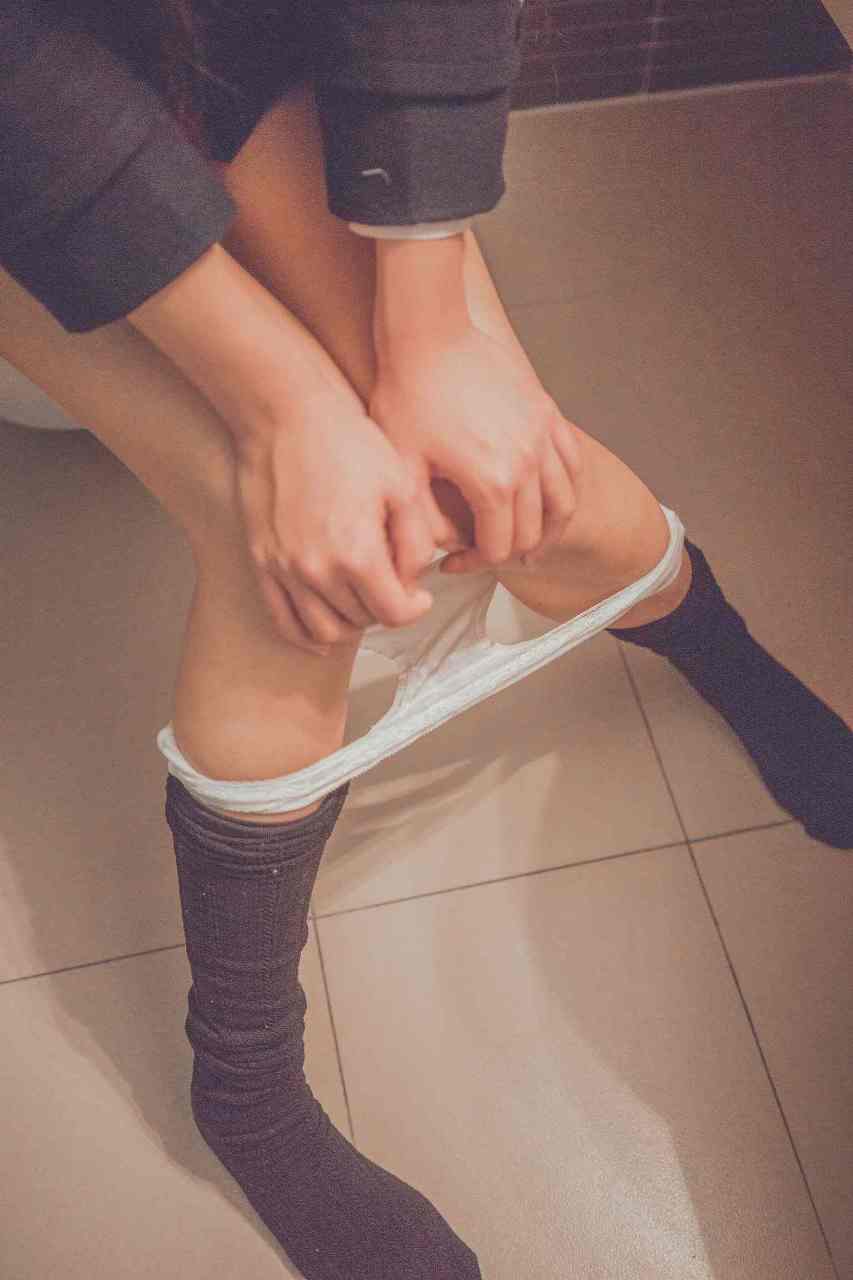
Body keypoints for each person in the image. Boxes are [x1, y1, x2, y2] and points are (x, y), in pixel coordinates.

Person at [1, 3, 850, 1277]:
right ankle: (243, 1085)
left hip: (218, 34)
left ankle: (715, 649)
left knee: (514, 488)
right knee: (303, 557)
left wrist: (430, 325)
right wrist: (285, 408)